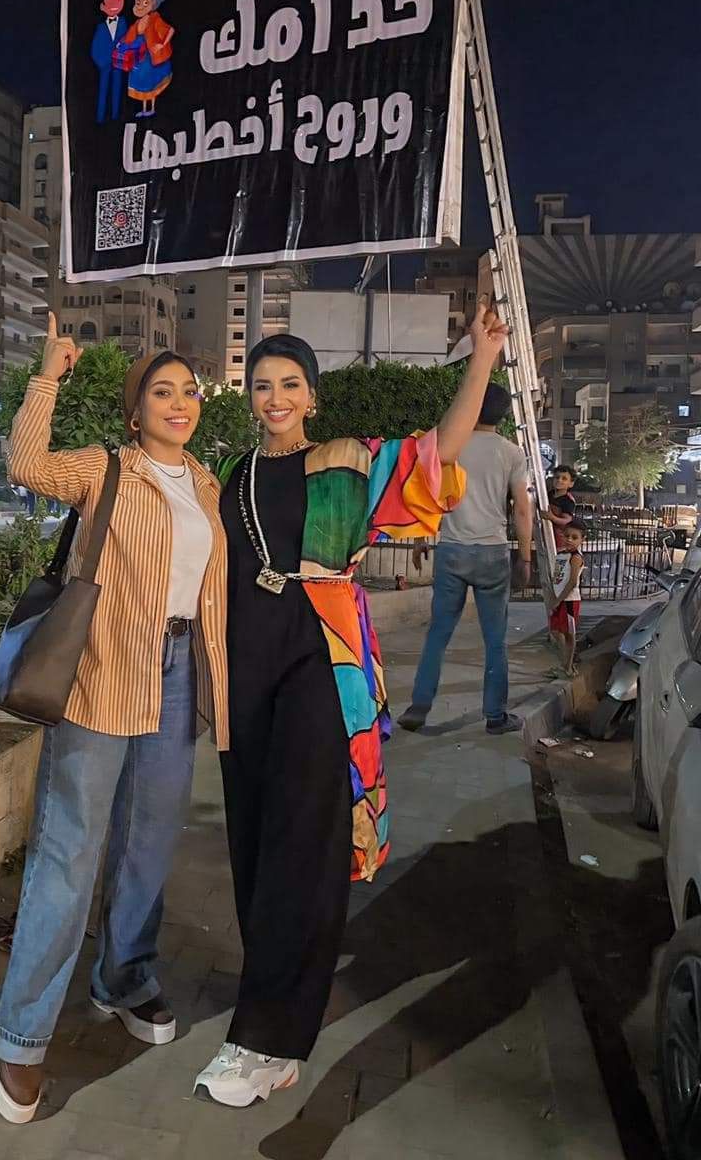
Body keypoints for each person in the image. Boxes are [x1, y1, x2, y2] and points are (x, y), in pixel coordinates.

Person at [193, 299, 509, 1108]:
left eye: (289, 383)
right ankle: (271, 1017)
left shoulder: (345, 459)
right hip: (245, 672)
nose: (275, 398)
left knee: (302, 847)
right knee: (254, 846)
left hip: (320, 664)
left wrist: (481, 360)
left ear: (313, 395)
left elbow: (437, 454)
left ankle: (268, 1038)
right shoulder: (232, 474)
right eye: (262, 385)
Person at [0, 316, 228, 1126]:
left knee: (148, 842)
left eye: (188, 391)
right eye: (162, 392)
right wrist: (47, 377)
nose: (179, 402)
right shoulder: (107, 468)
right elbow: (26, 465)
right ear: (135, 411)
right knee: (71, 850)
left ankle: (122, 979)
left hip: (179, 674)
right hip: (100, 671)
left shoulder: (206, 484)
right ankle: (22, 1035)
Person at [398, 383, 534, 737]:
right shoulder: (511, 453)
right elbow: (522, 508)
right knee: (495, 640)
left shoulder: (448, 445)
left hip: (451, 550)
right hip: (492, 553)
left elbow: (427, 495)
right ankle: (495, 716)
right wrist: (525, 557)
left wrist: (420, 540)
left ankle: (418, 707)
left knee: (438, 633)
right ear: (504, 414)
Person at [114, 0, 174, 119]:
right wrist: (121, 43)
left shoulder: (155, 19)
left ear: (154, 2)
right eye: (138, 2)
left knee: (151, 82)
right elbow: (129, 36)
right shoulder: (137, 23)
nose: (140, 6)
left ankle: (151, 108)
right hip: (138, 57)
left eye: (145, 2)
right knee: (141, 82)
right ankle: (144, 108)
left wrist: (162, 44)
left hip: (150, 58)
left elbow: (170, 30)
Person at [549, 519, 585, 677]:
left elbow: (572, 582)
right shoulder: (562, 555)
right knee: (556, 631)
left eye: (574, 537)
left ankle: (568, 667)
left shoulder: (576, 558)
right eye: (567, 536)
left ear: (582, 539)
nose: (570, 539)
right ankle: (565, 664)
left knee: (568, 633)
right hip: (560, 598)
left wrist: (558, 600)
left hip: (569, 600)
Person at [91, 0, 128, 123]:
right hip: (105, 64)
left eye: (117, 1)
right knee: (103, 90)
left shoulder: (123, 23)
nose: (113, 6)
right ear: (103, 6)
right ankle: (101, 117)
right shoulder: (100, 27)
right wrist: (101, 62)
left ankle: (115, 116)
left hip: (118, 63)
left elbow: (128, 40)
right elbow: (95, 46)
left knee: (117, 89)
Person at [540, 464, 577, 551]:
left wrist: (552, 517)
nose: (559, 480)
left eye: (564, 478)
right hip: (546, 535)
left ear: (571, 484)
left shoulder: (568, 501)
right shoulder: (549, 494)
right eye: (557, 477)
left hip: (560, 540)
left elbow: (567, 521)